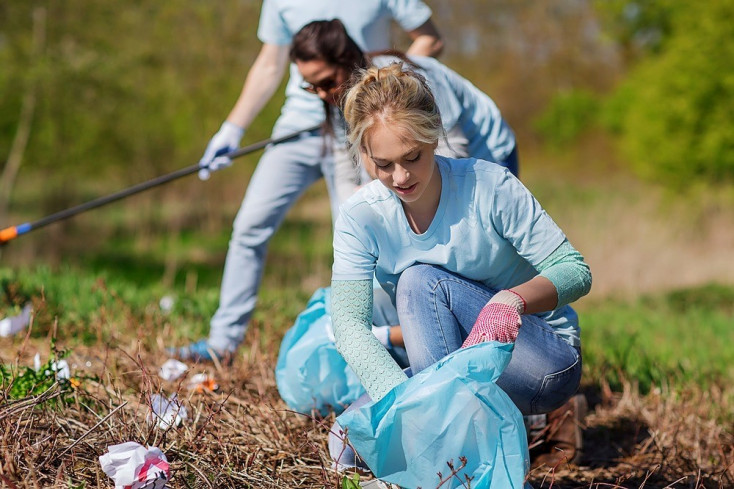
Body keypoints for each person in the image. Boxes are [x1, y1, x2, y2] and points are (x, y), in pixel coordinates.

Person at [328, 63, 592, 471]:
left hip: (538, 360)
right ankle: (451, 435)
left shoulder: (489, 186)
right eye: (382, 164)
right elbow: (347, 322)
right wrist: (402, 400)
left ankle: (454, 458)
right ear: (363, 154)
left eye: (412, 157)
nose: (400, 176)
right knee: (344, 442)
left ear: (433, 135)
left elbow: (574, 269)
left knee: (419, 282)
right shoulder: (360, 217)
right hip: (451, 367)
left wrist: (512, 301)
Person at [168, 0, 443, 362]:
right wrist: (232, 127)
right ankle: (222, 343)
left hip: (358, 130)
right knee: (249, 226)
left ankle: (378, 346)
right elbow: (270, 63)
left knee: (361, 239)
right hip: (294, 131)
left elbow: (430, 39)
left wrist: (384, 86)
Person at [289, 18, 519, 206]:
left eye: (327, 81)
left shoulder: (408, 81)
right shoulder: (340, 102)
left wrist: (388, 192)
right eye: (312, 87)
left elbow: (453, 148)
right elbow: (345, 168)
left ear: (348, 61)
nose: (321, 94)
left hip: (487, 152)